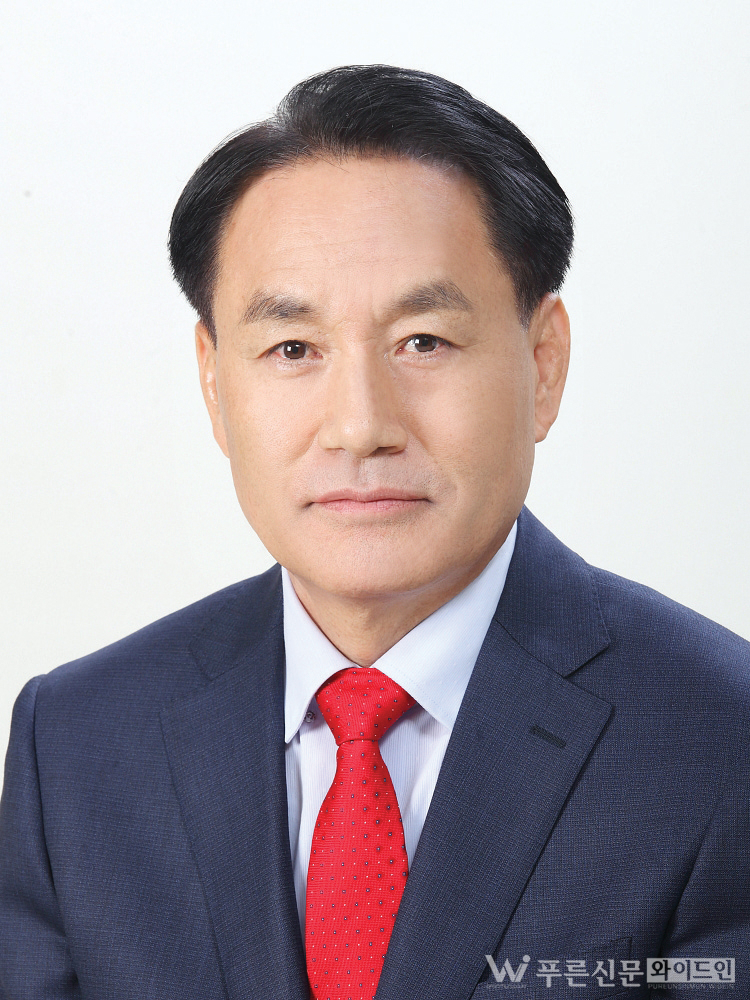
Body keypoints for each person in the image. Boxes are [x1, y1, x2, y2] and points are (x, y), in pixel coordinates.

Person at [1, 64, 748, 1000]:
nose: (360, 426)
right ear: (214, 383)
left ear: (544, 363)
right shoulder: (76, 742)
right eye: (293, 349)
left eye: (423, 342)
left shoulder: (720, 739)